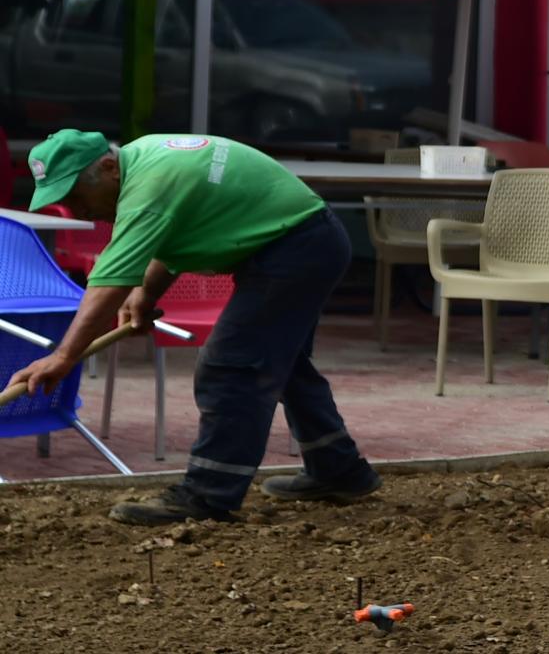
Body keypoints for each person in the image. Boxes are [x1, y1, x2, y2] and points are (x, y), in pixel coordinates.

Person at [8, 130, 380, 526]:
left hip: (295, 248)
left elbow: (107, 286)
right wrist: (148, 294)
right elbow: (177, 233)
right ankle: (338, 469)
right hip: (304, 241)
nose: (79, 212)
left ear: (108, 167)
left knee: (230, 367)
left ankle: (208, 495)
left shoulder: (148, 186)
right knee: (283, 366)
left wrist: (64, 357)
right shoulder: (147, 162)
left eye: (77, 196)